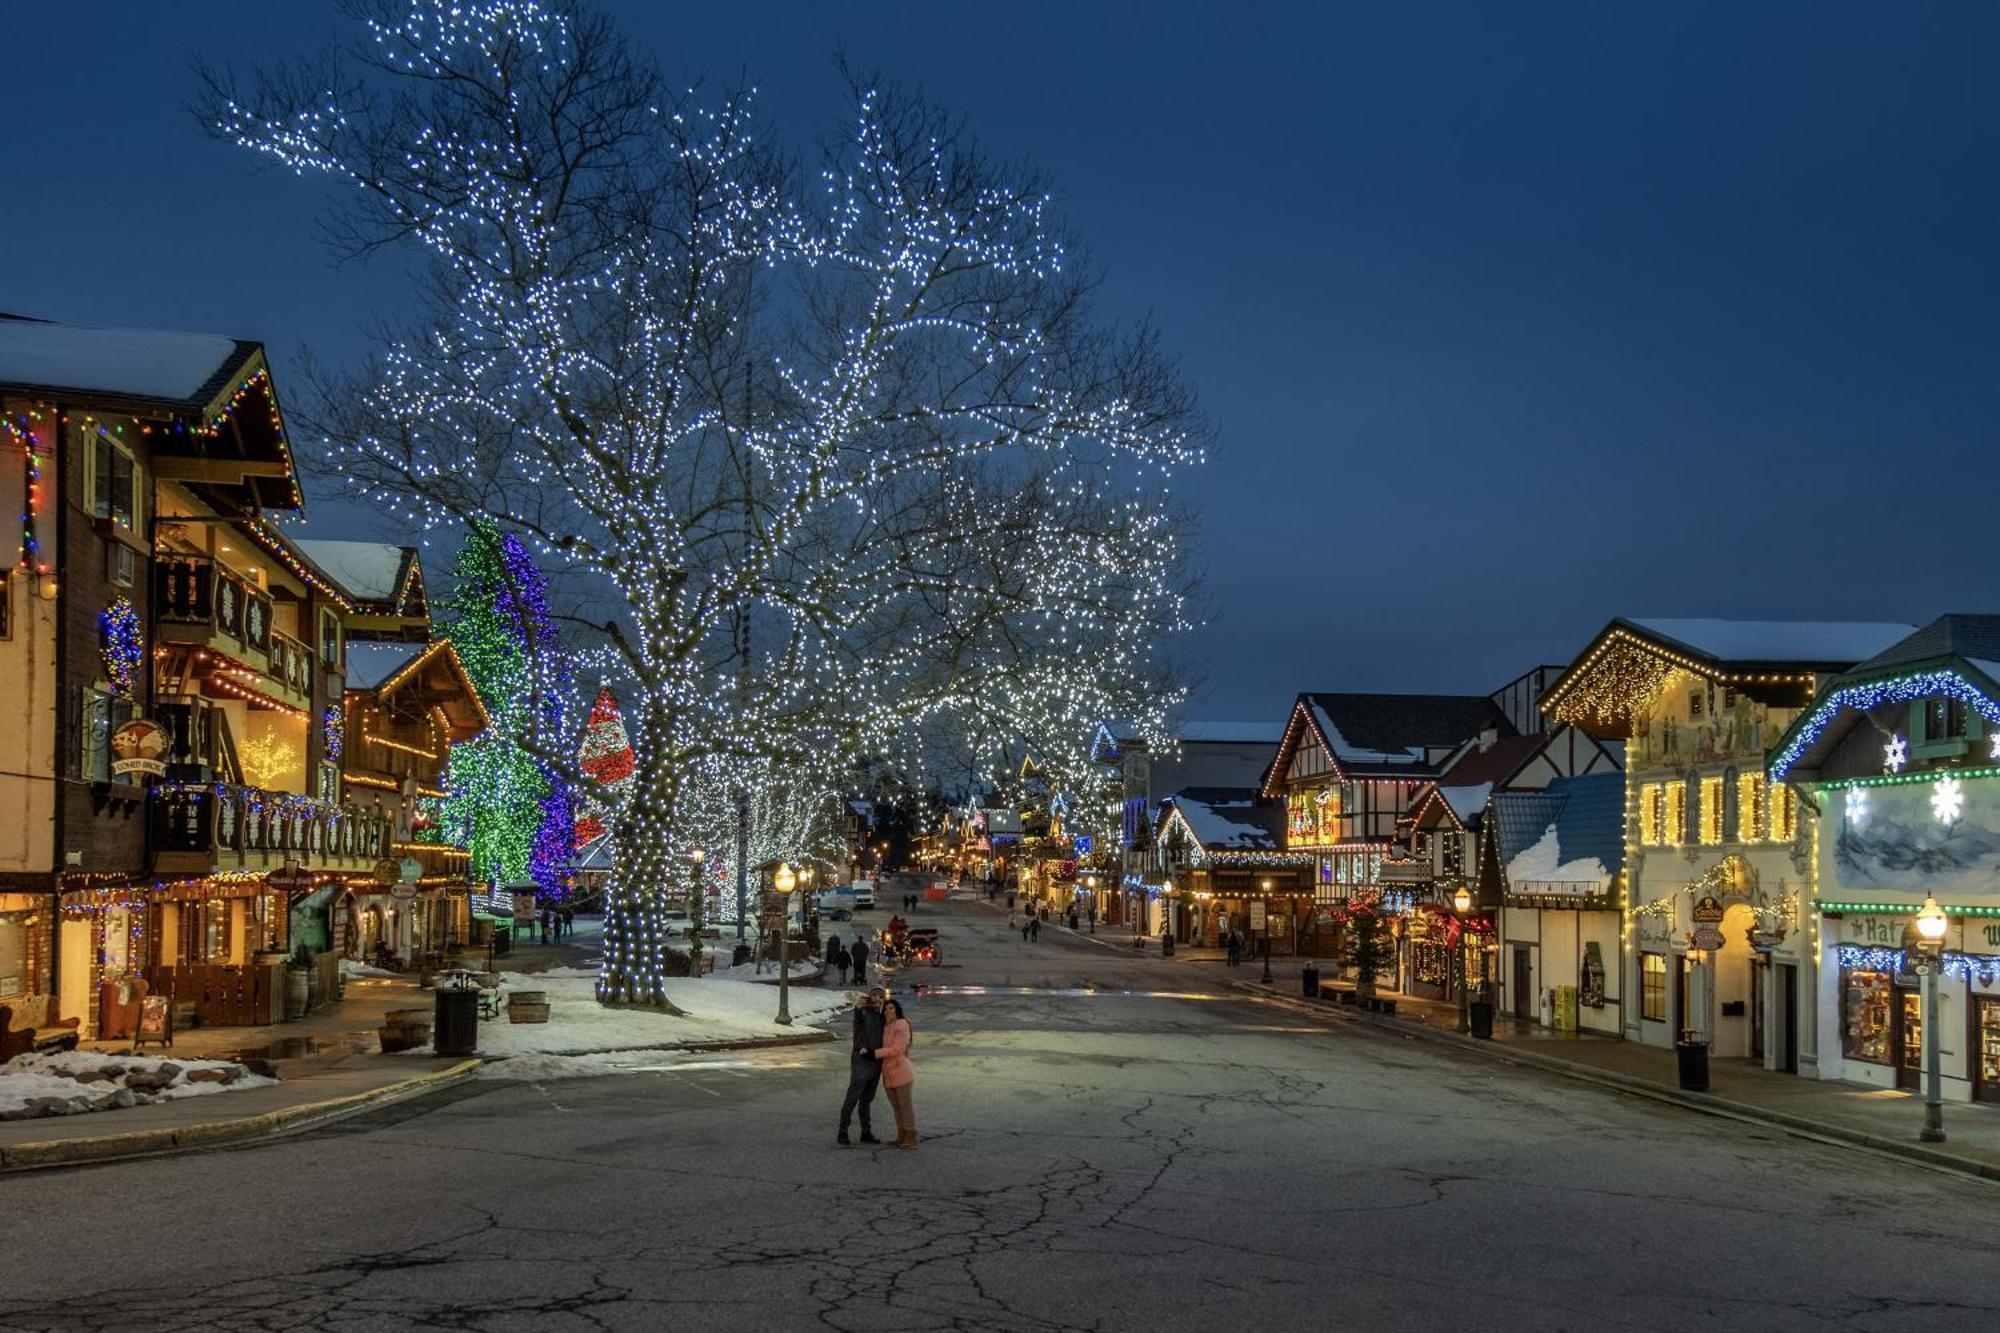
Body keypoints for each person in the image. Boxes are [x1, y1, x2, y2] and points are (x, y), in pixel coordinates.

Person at [837, 989, 887, 1146]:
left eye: (881, 997)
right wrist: (857, 1006)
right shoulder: (863, 1012)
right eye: (875, 996)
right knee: (852, 1097)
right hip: (861, 1059)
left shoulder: (882, 1016)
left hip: (876, 1061)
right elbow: (857, 1012)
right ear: (870, 997)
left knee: (867, 1099)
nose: (878, 999)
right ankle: (842, 1132)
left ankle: (866, 1132)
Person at [876, 996, 918, 1148]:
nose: (888, 1011)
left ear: (897, 1010)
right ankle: (901, 1135)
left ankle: (911, 1137)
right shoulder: (886, 1027)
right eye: (886, 1009)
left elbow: (897, 1049)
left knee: (905, 1106)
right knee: (897, 1107)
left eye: (891, 1008)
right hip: (888, 1074)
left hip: (902, 1073)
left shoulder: (902, 1025)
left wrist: (874, 1053)